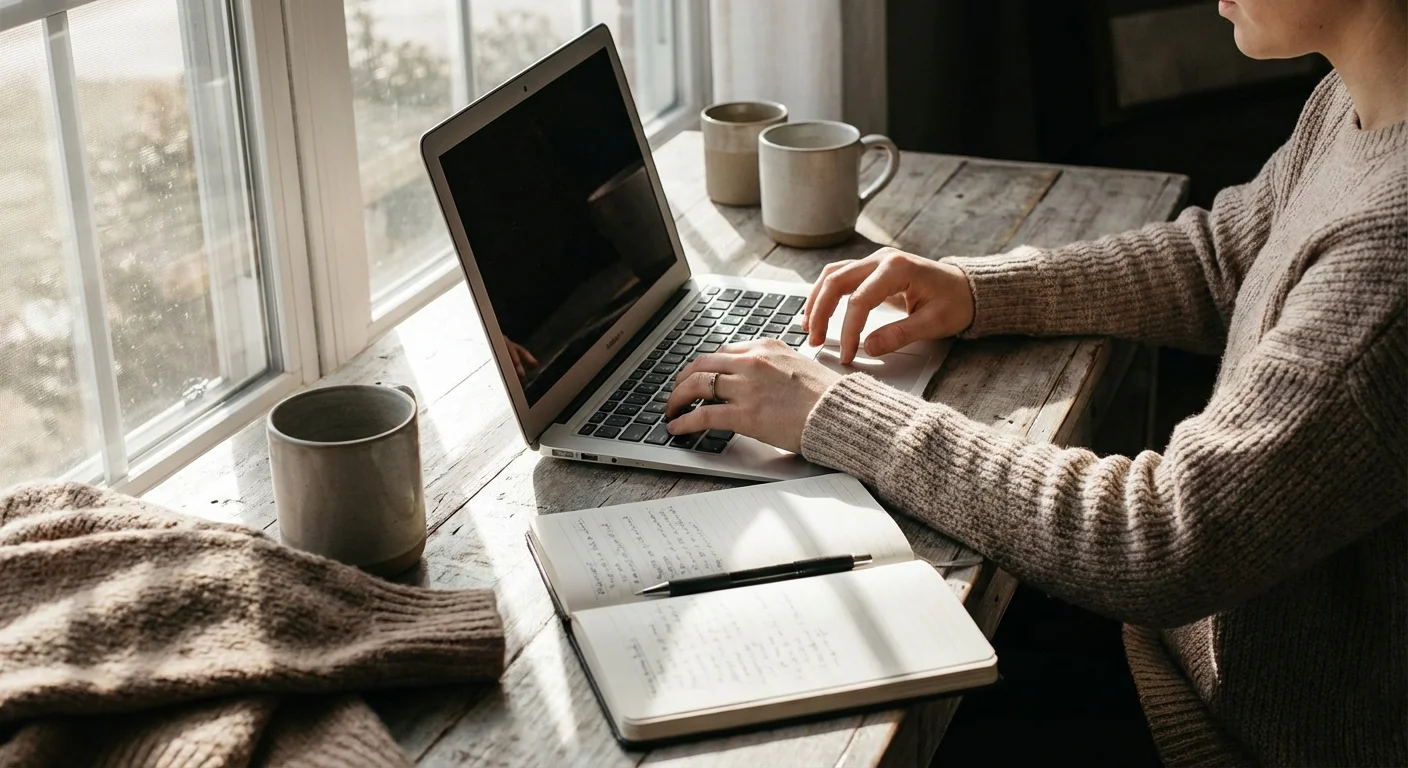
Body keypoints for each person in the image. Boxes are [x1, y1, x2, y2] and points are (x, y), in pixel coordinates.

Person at [662, 0, 1407, 764]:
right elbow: (1220, 260)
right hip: (1186, 665)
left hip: (1227, 736)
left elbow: (1162, 536)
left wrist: (833, 409)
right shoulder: (1356, 103)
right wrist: (977, 290)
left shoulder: (1393, 250)